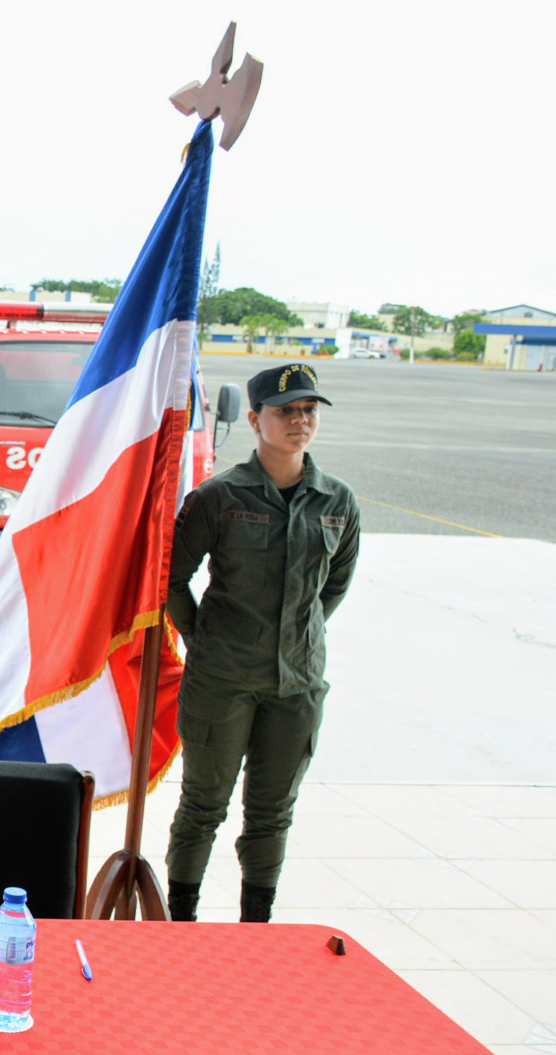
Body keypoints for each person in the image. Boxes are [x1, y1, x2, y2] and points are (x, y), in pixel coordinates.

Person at [163, 362, 360, 923]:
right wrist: (204, 638)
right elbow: (172, 579)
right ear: (254, 420)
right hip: (221, 681)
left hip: (297, 685)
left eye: (309, 410)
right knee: (204, 805)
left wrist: (296, 635)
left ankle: (257, 927)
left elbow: (334, 585)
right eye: (285, 411)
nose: (300, 421)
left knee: (273, 813)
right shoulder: (219, 496)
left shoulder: (337, 501)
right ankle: (181, 923)